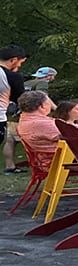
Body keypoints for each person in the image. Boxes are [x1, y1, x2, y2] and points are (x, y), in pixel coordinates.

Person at [0, 45, 29, 174]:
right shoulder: (11, 76)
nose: (20, 66)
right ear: (13, 60)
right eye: (20, 62)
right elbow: (22, 99)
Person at [15, 90, 60, 170]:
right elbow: (73, 134)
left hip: (44, 160)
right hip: (57, 161)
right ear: (42, 106)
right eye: (48, 103)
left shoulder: (25, 120)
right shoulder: (41, 124)